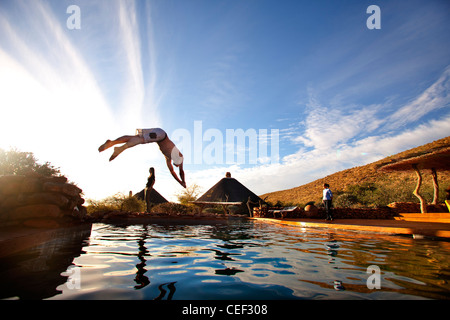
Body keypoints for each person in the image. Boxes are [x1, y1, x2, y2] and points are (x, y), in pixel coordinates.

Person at [98, 128, 186, 188]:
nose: (177, 165)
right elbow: (180, 172)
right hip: (161, 135)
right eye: (177, 164)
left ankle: (113, 142)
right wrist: (183, 181)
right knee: (140, 140)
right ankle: (119, 148)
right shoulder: (179, 156)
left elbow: (173, 172)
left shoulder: (167, 159)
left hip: (159, 132)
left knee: (136, 138)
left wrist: (181, 182)